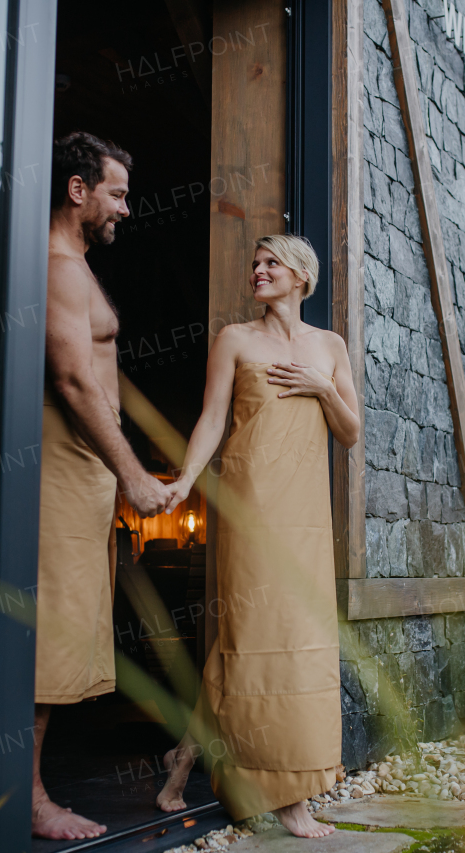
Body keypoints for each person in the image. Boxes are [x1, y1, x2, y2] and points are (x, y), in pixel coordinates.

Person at [154, 234, 360, 838]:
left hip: (305, 519)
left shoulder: (329, 346)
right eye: (255, 263)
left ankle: (185, 760)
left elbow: (351, 432)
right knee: (250, 639)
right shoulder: (236, 340)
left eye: (272, 263)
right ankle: (285, 795)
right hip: (250, 511)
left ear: (302, 276)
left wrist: (323, 389)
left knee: (288, 643)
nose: (259, 271)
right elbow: (213, 417)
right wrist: (185, 479)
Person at [33, 131, 172, 840]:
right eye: (115, 192)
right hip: (62, 473)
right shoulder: (58, 267)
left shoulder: (77, 268)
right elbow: (72, 380)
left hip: (86, 480)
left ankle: (26, 790)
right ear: (78, 189)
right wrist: (134, 475)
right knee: (47, 638)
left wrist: (118, 485)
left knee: (67, 634)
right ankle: (28, 799)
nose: (125, 207)